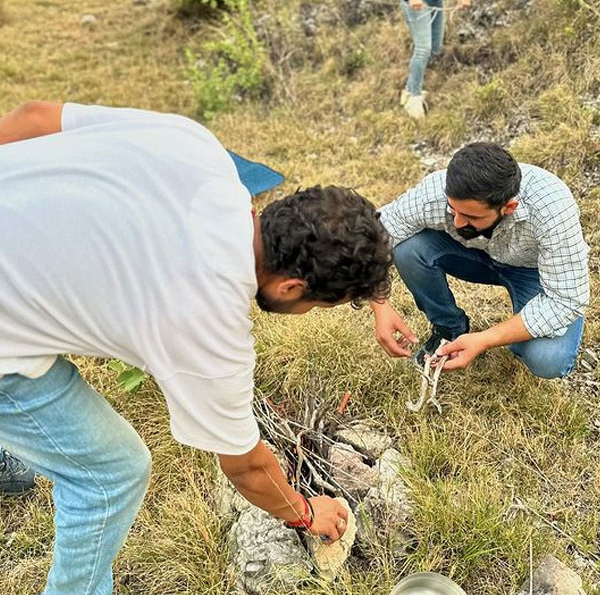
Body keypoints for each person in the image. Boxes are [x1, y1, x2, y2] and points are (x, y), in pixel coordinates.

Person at [0, 100, 396, 595]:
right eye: (317, 305)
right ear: (293, 287)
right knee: (111, 473)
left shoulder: (196, 147)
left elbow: (36, 117)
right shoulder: (207, 323)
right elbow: (246, 464)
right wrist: (304, 510)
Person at [372, 143, 589, 377]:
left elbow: (565, 300)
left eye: (470, 216)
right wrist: (380, 304)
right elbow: (376, 234)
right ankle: (450, 329)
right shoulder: (436, 191)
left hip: (532, 272)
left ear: (508, 208)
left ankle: (507, 339)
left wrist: (485, 339)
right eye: (452, 210)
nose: (456, 222)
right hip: (474, 257)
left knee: (548, 359)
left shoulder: (552, 209)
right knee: (407, 248)